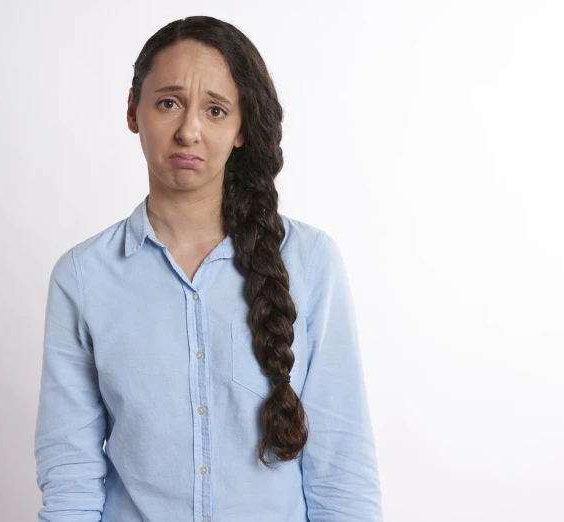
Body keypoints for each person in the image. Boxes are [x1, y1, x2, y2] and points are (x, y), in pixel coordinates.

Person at [33, 15, 383, 522]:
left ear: (242, 129)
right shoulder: (83, 277)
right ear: (134, 112)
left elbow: (342, 472)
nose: (189, 130)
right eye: (168, 102)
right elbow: (70, 478)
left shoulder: (310, 262)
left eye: (216, 110)